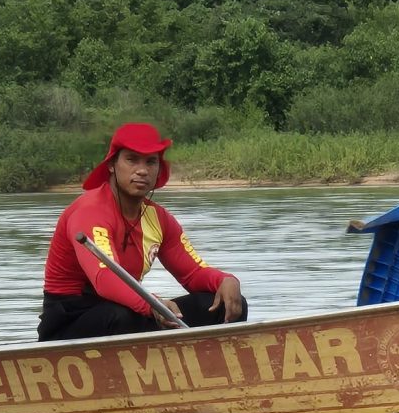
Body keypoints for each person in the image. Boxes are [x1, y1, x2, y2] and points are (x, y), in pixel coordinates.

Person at [37, 122, 247, 342]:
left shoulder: (159, 218)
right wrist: (152, 304)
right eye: (131, 159)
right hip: (69, 322)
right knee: (121, 316)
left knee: (228, 304)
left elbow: (193, 273)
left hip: (130, 311)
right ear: (111, 165)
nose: (142, 170)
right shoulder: (90, 211)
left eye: (151, 162)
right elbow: (104, 277)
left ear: (159, 169)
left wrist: (225, 280)